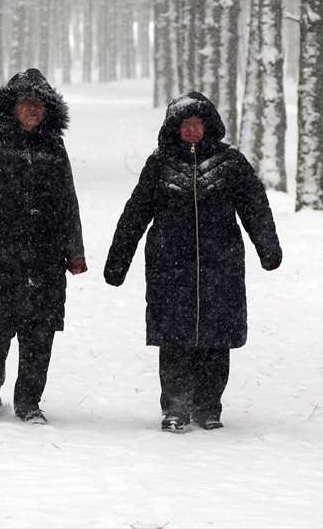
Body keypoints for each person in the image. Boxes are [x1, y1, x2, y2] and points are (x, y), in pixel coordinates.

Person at [104, 92, 282, 433]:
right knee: (175, 340)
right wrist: (117, 260)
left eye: (198, 124)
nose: (192, 130)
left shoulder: (230, 162)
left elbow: (255, 207)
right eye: (185, 124)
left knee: (216, 341)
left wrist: (268, 248)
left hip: (221, 266)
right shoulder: (160, 163)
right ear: (174, 128)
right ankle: (175, 407)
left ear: (209, 126)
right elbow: (136, 212)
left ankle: (207, 407)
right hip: (170, 267)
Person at [0, 68, 86, 424]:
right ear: (11, 106)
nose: (32, 110)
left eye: (38, 104)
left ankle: (28, 402)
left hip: (44, 257)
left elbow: (67, 199)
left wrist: (74, 250)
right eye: (25, 103)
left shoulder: (54, 145)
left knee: (39, 333)